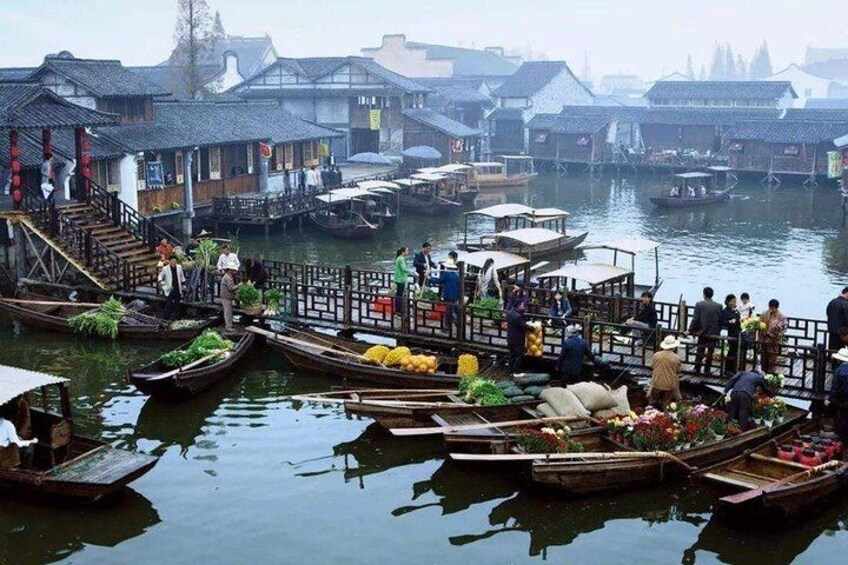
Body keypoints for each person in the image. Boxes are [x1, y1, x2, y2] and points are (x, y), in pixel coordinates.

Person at [688, 286, 722, 376]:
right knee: (710, 352)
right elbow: (720, 320)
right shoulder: (719, 306)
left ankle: (697, 369)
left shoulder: (699, 304)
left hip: (703, 332)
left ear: (704, 294)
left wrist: (690, 330)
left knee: (700, 351)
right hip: (714, 332)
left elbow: (695, 319)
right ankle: (707, 370)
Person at [430, 252, 462, 334]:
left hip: (448, 295)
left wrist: (429, 278)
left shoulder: (446, 274)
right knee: (450, 311)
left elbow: (438, 281)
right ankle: (448, 326)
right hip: (455, 295)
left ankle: (454, 325)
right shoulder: (456, 275)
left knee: (449, 312)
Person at [648, 335, 683, 409]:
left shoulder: (656, 355)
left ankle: (649, 409)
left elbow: (653, 367)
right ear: (673, 346)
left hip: (657, 383)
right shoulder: (676, 358)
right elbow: (678, 371)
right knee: (666, 404)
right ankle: (665, 412)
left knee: (652, 402)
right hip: (669, 385)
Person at [826, 347, 848, 445]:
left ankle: (842, 444)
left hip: (844, 402)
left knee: (842, 423)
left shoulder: (839, 371)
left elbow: (834, 389)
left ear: (839, 360)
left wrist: (829, 400)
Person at [506, 303, 535, 374]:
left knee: (511, 354)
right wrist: (532, 328)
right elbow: (522, 326)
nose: (523, 306)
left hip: (510, 337)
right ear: (518, 306)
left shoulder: (509, 313)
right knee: (519, 355)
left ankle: (510, 370)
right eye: (522, 305)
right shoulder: (517, 316)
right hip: (518, 339)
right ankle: (516, 370)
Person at [761, 299, 788, 374]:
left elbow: (784, 329)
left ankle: (770, 376)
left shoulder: (782, 317)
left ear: (777, 308)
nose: (771, 310)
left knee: (772, 360)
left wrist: (777, 332)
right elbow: (760, 325)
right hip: (764, 339)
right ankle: (762, 375)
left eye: (773, 308)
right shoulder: (764, 314)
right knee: (763, 360)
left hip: (774, 341)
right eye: (770, 308)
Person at [158, 255, 185, 320]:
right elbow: (160, 276)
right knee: (169, 303)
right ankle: (166, 317)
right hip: (170, 288)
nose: (174, 263)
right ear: (169, 261)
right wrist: (162, 283)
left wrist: (183, 285)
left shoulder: (179, 267)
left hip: (177, 287)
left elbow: (182, 276)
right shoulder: (165, 268)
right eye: (172, 261)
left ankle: (178, 318)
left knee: (177, 303)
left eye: (175, 261)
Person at [721, 294, 742, 376]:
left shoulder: (735, 311)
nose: (734, 303)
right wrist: (730, 322)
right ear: (727, 301)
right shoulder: (725, 311)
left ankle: (734, 368)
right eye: (732, 301)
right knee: (731, 352)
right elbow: (723, 322)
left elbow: (738, 320)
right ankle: (727, 369)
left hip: (737, 333)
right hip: (730, 333)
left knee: (736, 352)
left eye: (735, 301)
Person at [826, 287, 848, 359]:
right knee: (841, 353)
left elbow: (828, 313)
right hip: (843, 333)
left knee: (833, 351)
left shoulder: (833, 302)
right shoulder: (845, 304)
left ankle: (832, 367)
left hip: (832, 330)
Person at [393, 246, 411, 316]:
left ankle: (397, 311)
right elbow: (403, 268)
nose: (408, 252)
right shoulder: (401, 259)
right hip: (400, 280)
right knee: (399, 296)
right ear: (403, 252)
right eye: (407, 251)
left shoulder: (399, 258)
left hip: (399, 279)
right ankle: (398, 312)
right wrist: (412, 272)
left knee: (399, 295)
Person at [220, 265, 238, 332]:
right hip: (226, 297)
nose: (234, 272)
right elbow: (230, 288)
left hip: (227, 297)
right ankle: (228, 327)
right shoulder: (227, 278)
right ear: (229, 270)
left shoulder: (228, 276)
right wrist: (238, 286)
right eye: (233, 270)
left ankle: (230, 324)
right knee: (227, 312)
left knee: (229, 311)